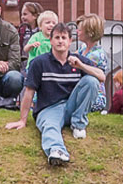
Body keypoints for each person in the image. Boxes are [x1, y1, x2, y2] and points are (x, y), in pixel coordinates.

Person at [6, 22, 102, 167]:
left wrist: (81, 66)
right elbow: (29, 92)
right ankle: (57, 151)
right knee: (50, 126)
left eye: (64, 37)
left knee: (91, 81)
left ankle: (78, 124)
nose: (60, 41)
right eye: (56, 37)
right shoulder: (39, 63)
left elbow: (102, 77)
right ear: (50, 41)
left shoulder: (77, 60)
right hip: (49, 108)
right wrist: (22, 120)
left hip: (72, 106)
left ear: (70, 41)